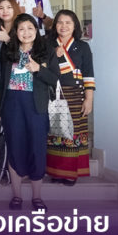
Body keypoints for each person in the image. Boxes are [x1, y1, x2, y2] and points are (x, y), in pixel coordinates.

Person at [0, 14, 59, 211]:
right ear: (16, 32)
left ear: (36, 30)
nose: (26, 33)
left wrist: (38, 69)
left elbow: (55, 79)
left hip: (36, 107)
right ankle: (17, 196)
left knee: (37, 149)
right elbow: (2, 81)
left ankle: (37, 197)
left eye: (30, 28)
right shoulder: (8, 51)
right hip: (12, 105)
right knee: (15, 148)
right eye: (21, 29)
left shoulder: (46, 50)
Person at [46, 10, 94, 186]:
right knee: (55, 134)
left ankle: (70, 173)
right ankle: (55, 172)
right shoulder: (47, 44)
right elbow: (41, 68)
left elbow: (88, 74)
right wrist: (53, 55)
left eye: (68, 22)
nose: (63, 26)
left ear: (75, 26)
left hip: (75, 96)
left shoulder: (82, 47)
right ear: (55, 25)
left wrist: (89, 99)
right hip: (53, 95)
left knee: (72, 135)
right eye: (60, 22)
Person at [0, 0, 21, 85]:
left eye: (9, 7)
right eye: (1, 8)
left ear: (15, 9)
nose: (5, 11)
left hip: (16, 82)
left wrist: (8, 40)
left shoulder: (21, 29)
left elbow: (23, 55)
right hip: (0, 80)